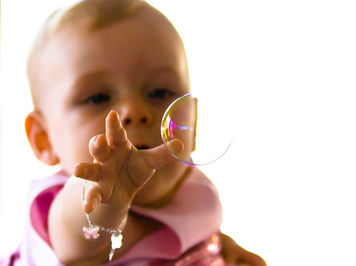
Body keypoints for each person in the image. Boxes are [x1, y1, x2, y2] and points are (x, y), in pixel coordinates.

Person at [1, 0, 266, 265]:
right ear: (44, 139)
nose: (134, 111)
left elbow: (190, 231)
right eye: (98, 97)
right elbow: (80, 237)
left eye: (160, 93)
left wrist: (223, 248)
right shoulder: (66, 208)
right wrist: (107, 199)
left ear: (193, 123)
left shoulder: (192, 186)